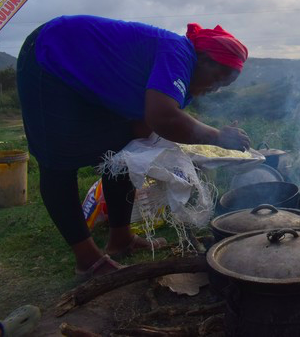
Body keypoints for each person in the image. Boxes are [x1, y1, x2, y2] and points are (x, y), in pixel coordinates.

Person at [16, 15, 251, 280]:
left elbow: (143, 127)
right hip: (50, 56)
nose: (215, 88)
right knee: (57, 162)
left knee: (125, 150)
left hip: (83, 77)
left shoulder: (184, 76)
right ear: (205, 58)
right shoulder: (178, 54)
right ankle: (88, 260)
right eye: (218, 78)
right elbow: (163, 117)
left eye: (224, 85)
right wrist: (217, 136)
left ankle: (121, 239)